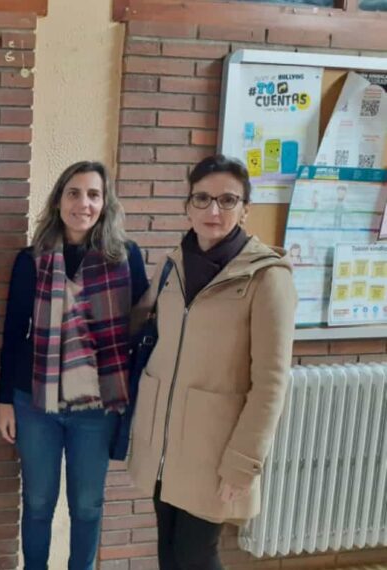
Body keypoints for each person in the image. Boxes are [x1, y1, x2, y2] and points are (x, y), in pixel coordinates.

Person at [128, 155, 296, 569]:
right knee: (169, 550)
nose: (213, 210)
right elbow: (147, 330)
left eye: (227, 200)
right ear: (188, 206)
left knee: (195, 555)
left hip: (215, 450)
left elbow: (271, 382)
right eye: (202, 198)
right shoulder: (173, 265)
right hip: (164, 443)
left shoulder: (267, 277)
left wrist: (244, 463)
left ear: (245, 209)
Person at [0, 161, 147, 570]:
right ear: (59, 201)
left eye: (94, 195)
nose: (84, 203)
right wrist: (4, 401)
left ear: (105, 203)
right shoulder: (32, 260)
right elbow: (13, 332)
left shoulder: (126, 257)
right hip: (35, 402)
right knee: (38, 501)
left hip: (97, 405)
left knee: (87, 504)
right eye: (74, 193)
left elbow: (141, 327)